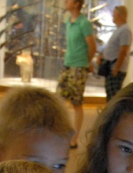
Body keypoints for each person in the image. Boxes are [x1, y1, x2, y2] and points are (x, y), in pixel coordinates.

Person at [58, 0, 97, 148]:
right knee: (59, 99)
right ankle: (61, 133)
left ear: (76, 4)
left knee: (76, 103)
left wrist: (86, 62)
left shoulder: (84, 23)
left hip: (79, 67)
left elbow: (92, 46)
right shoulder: (69, 21)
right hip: (67, 64)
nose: (65, 2)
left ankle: (74, 138)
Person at [98, 5, 132, 103]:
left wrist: (117, 67)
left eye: (114, 14)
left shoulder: (125, 30)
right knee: (110, 94)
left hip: (115, 68)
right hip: (111, 67)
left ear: (119, 15)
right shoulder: (119, 29)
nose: (112, 16)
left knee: (113, 96)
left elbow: (123, 50)